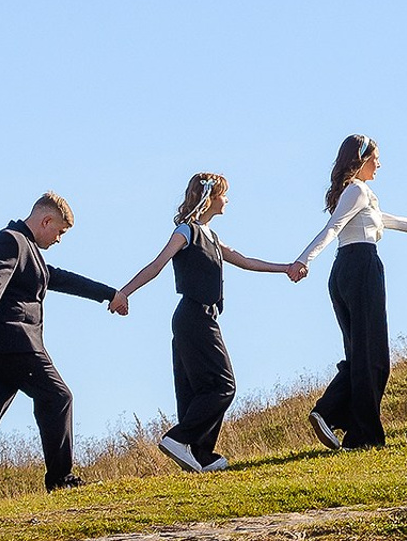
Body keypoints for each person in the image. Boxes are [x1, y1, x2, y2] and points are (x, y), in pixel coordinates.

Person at [111, 174, 305, 471]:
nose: (227, 200)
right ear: (210, 197)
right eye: (224, 195)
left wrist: (286, 268)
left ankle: (200, 454)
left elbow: (245, 260)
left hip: (200, 317)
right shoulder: (186, 231)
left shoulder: (211, 236)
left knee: (199, 390)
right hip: (194, 316)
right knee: (224, 385)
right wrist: (124, 292)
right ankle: (179, 438)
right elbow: (157, 264)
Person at [0, 193, 125, 508]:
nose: (59, 239)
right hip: (14, 343)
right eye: (60, 232)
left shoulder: (26, 249)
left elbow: (59, 278)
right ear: (46, 221)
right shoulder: (10, 242)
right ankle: (61, 479)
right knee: (58, 397)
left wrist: (108, 294)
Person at [290, 139, 407, 452]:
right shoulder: (357, 190)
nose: (379, 164)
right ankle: (351, 426)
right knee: (374, 359)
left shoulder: (359, 195)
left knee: (364, 357)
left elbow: (395, 222)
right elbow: (332, 228)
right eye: (375, 158)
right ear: (360, 159)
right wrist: (304, 260)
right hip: (361, 267)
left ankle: (342, 421)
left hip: (347, 271)